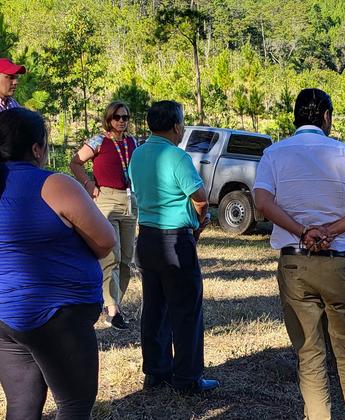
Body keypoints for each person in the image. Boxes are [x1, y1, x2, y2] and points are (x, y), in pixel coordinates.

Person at [0, 108, 116, 418]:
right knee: (73, 406)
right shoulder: (55, 185)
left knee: (21, 406)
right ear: (36, 148)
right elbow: (105, 242)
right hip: (56, 313)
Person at [253, 88, 345, 419]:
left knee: (309, 354)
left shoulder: (274, 153)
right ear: (326, 117)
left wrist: (302, 232)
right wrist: (331, 231)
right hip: (336, 263)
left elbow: (263, 203)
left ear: (295, 116)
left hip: (294, 263)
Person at [128, 100, 217, 393]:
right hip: (175, 238)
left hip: (147, 237)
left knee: (154, 308)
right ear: (177, 126)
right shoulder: (177, 157)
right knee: (186, 310)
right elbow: (200, 198)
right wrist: (199, 224)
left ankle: (155, 372)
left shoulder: (138, 154)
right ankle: (188, 378)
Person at [70, 102, 138, 330]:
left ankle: (115, 302)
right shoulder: (99, 141)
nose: (121, 121)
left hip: (129, 199)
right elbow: (75, 162)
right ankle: (112, 309)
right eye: (117, 117)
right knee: (111, 255)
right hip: (106, 198)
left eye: (125, 117)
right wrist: (88, 184)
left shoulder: (131, 142)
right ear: (109, 119)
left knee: (127, 257)